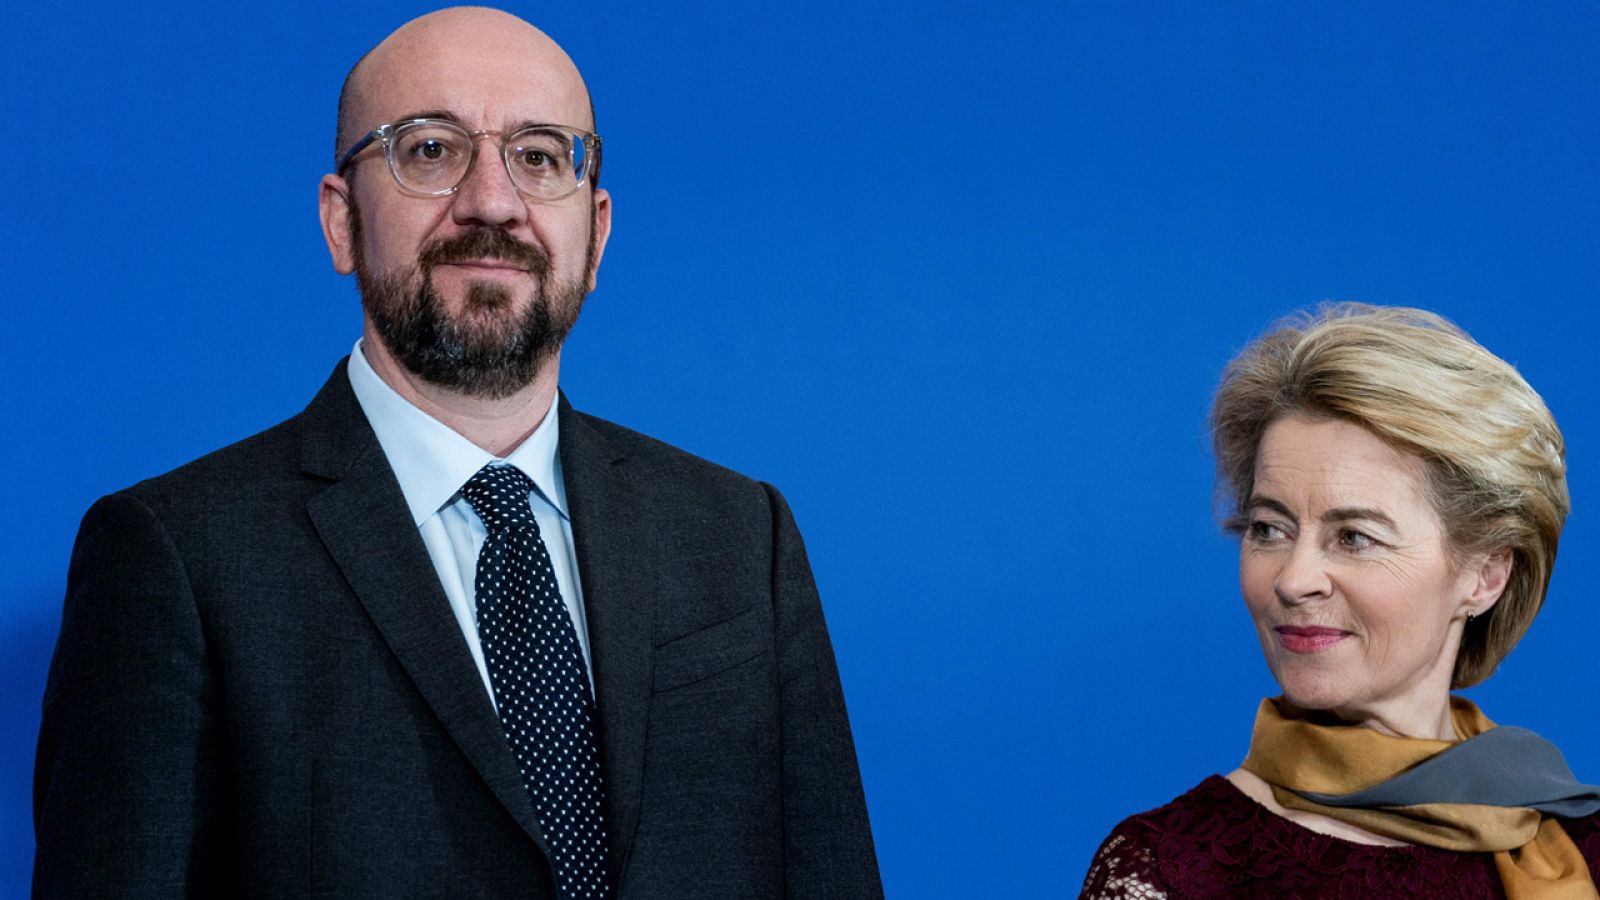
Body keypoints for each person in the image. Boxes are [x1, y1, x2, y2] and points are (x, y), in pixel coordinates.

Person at [33, 7, 881, 898]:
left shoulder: (743, 537)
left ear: (595, 234)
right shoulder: (175, 557)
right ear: (341, 221)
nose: (492, 201)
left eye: (540, 155)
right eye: (430, 150)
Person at [1080, 304, 1600, 898]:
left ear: (1485, 575)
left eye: (1354, 537)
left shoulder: (1580, 840)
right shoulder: (1170, 869)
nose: (1293, 580)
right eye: (1268, 528)